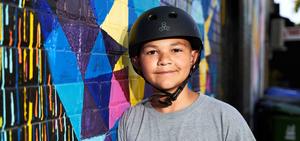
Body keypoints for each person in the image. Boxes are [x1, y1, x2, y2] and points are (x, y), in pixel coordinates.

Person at [117, 6, 256, 141]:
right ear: (137, 62)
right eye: (152, 52)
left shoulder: (224, 119)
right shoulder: (131, 120)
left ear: (193, 57)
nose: (164, 60)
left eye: (176, 50)